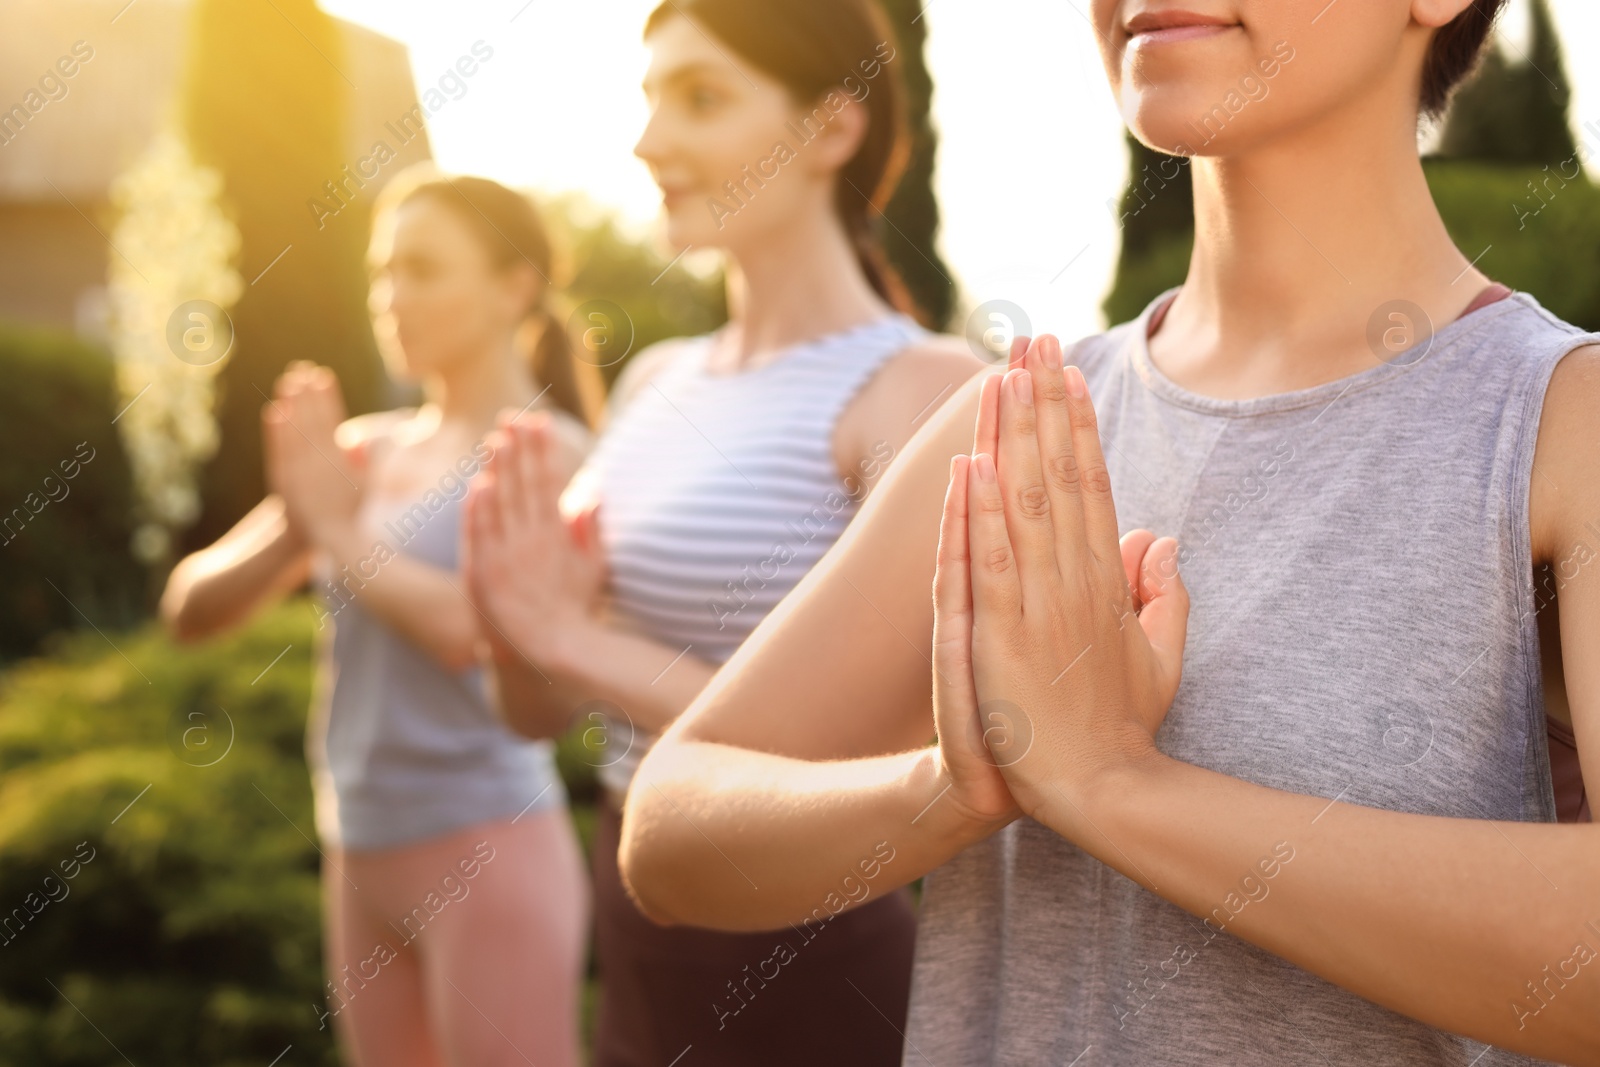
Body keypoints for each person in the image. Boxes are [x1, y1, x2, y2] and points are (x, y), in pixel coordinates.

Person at [619, 1, 1600, 1065]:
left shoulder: (1558, 423)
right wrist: (956, 786)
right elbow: (669, 830)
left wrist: (1108, 782)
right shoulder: (1022, 416)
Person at [459, 1, 985, 1063]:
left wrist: (574, 639)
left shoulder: (923, 389)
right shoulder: (653, 384)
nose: (650, 140)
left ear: (830, 131)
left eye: (700, 97)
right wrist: (514, 615)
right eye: (650, 98)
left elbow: (873, 754)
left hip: (812, 957)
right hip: (639, 950)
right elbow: (534, 709)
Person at [161, 166, 598, 1067]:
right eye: (381, 271)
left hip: (487, 854)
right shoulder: (364, 451)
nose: (392, 297)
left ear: (515, 285)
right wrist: (305, 511)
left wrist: (336, 531)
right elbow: (192, 608)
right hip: (357, 846)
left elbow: (482, 634)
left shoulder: (550, 454)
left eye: (424, 269)